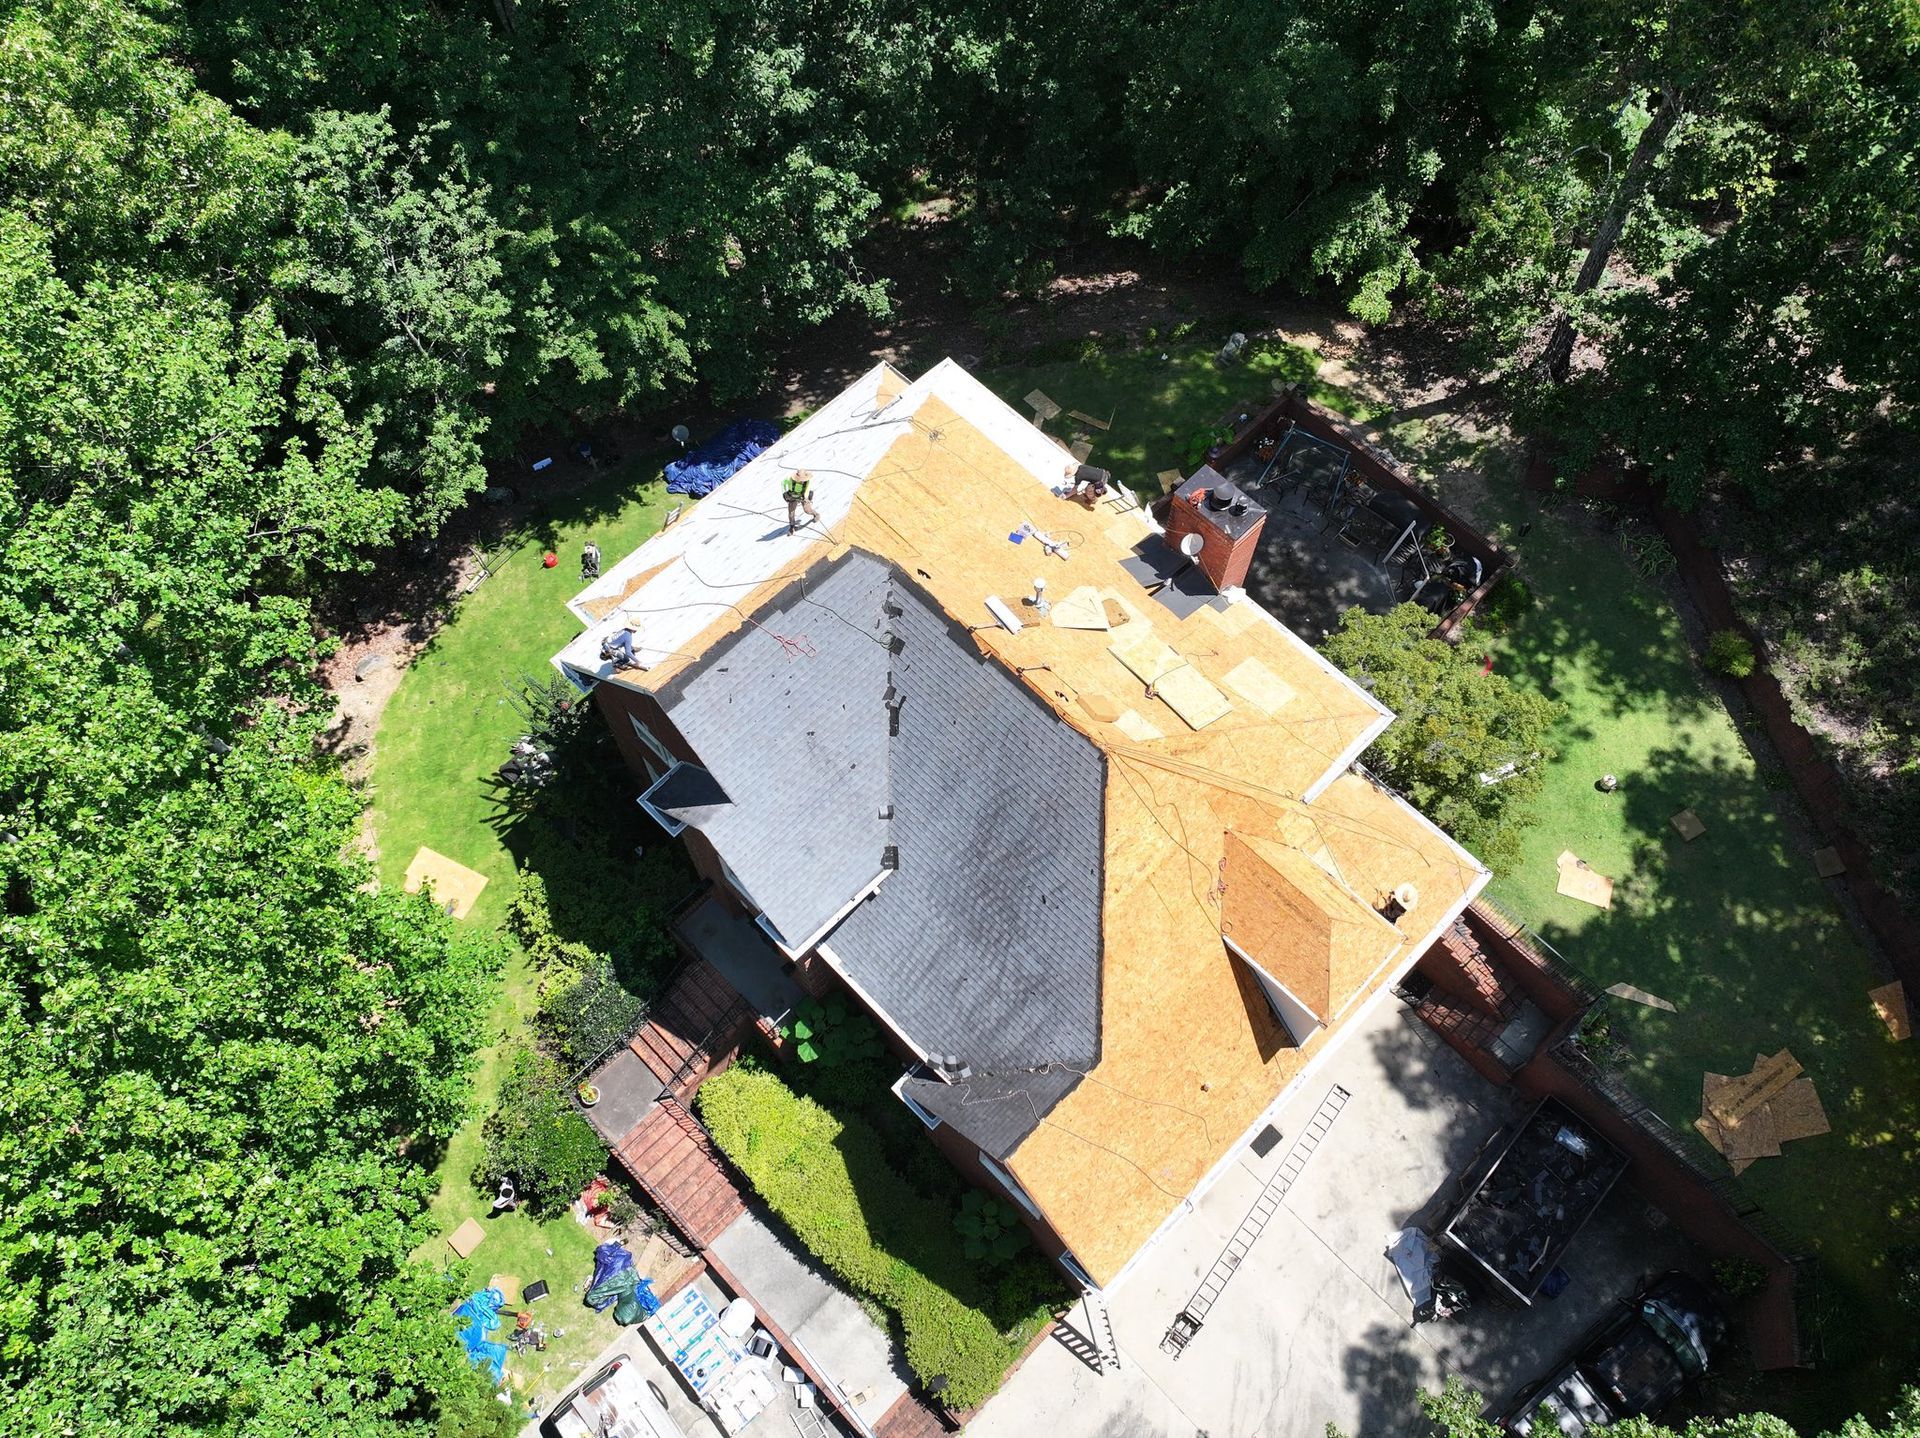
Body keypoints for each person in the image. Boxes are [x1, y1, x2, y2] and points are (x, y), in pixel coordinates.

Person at [783, 469, 819, 535]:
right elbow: (786, 485)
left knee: (807, 510)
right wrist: (789, 495)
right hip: (793, 496)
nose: (802, 480)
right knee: (791, 512)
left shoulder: (807, 482)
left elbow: (807, 490)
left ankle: (816, 514)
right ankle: (792, 527)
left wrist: (805, 498)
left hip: (802, 496)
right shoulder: (791, 480)